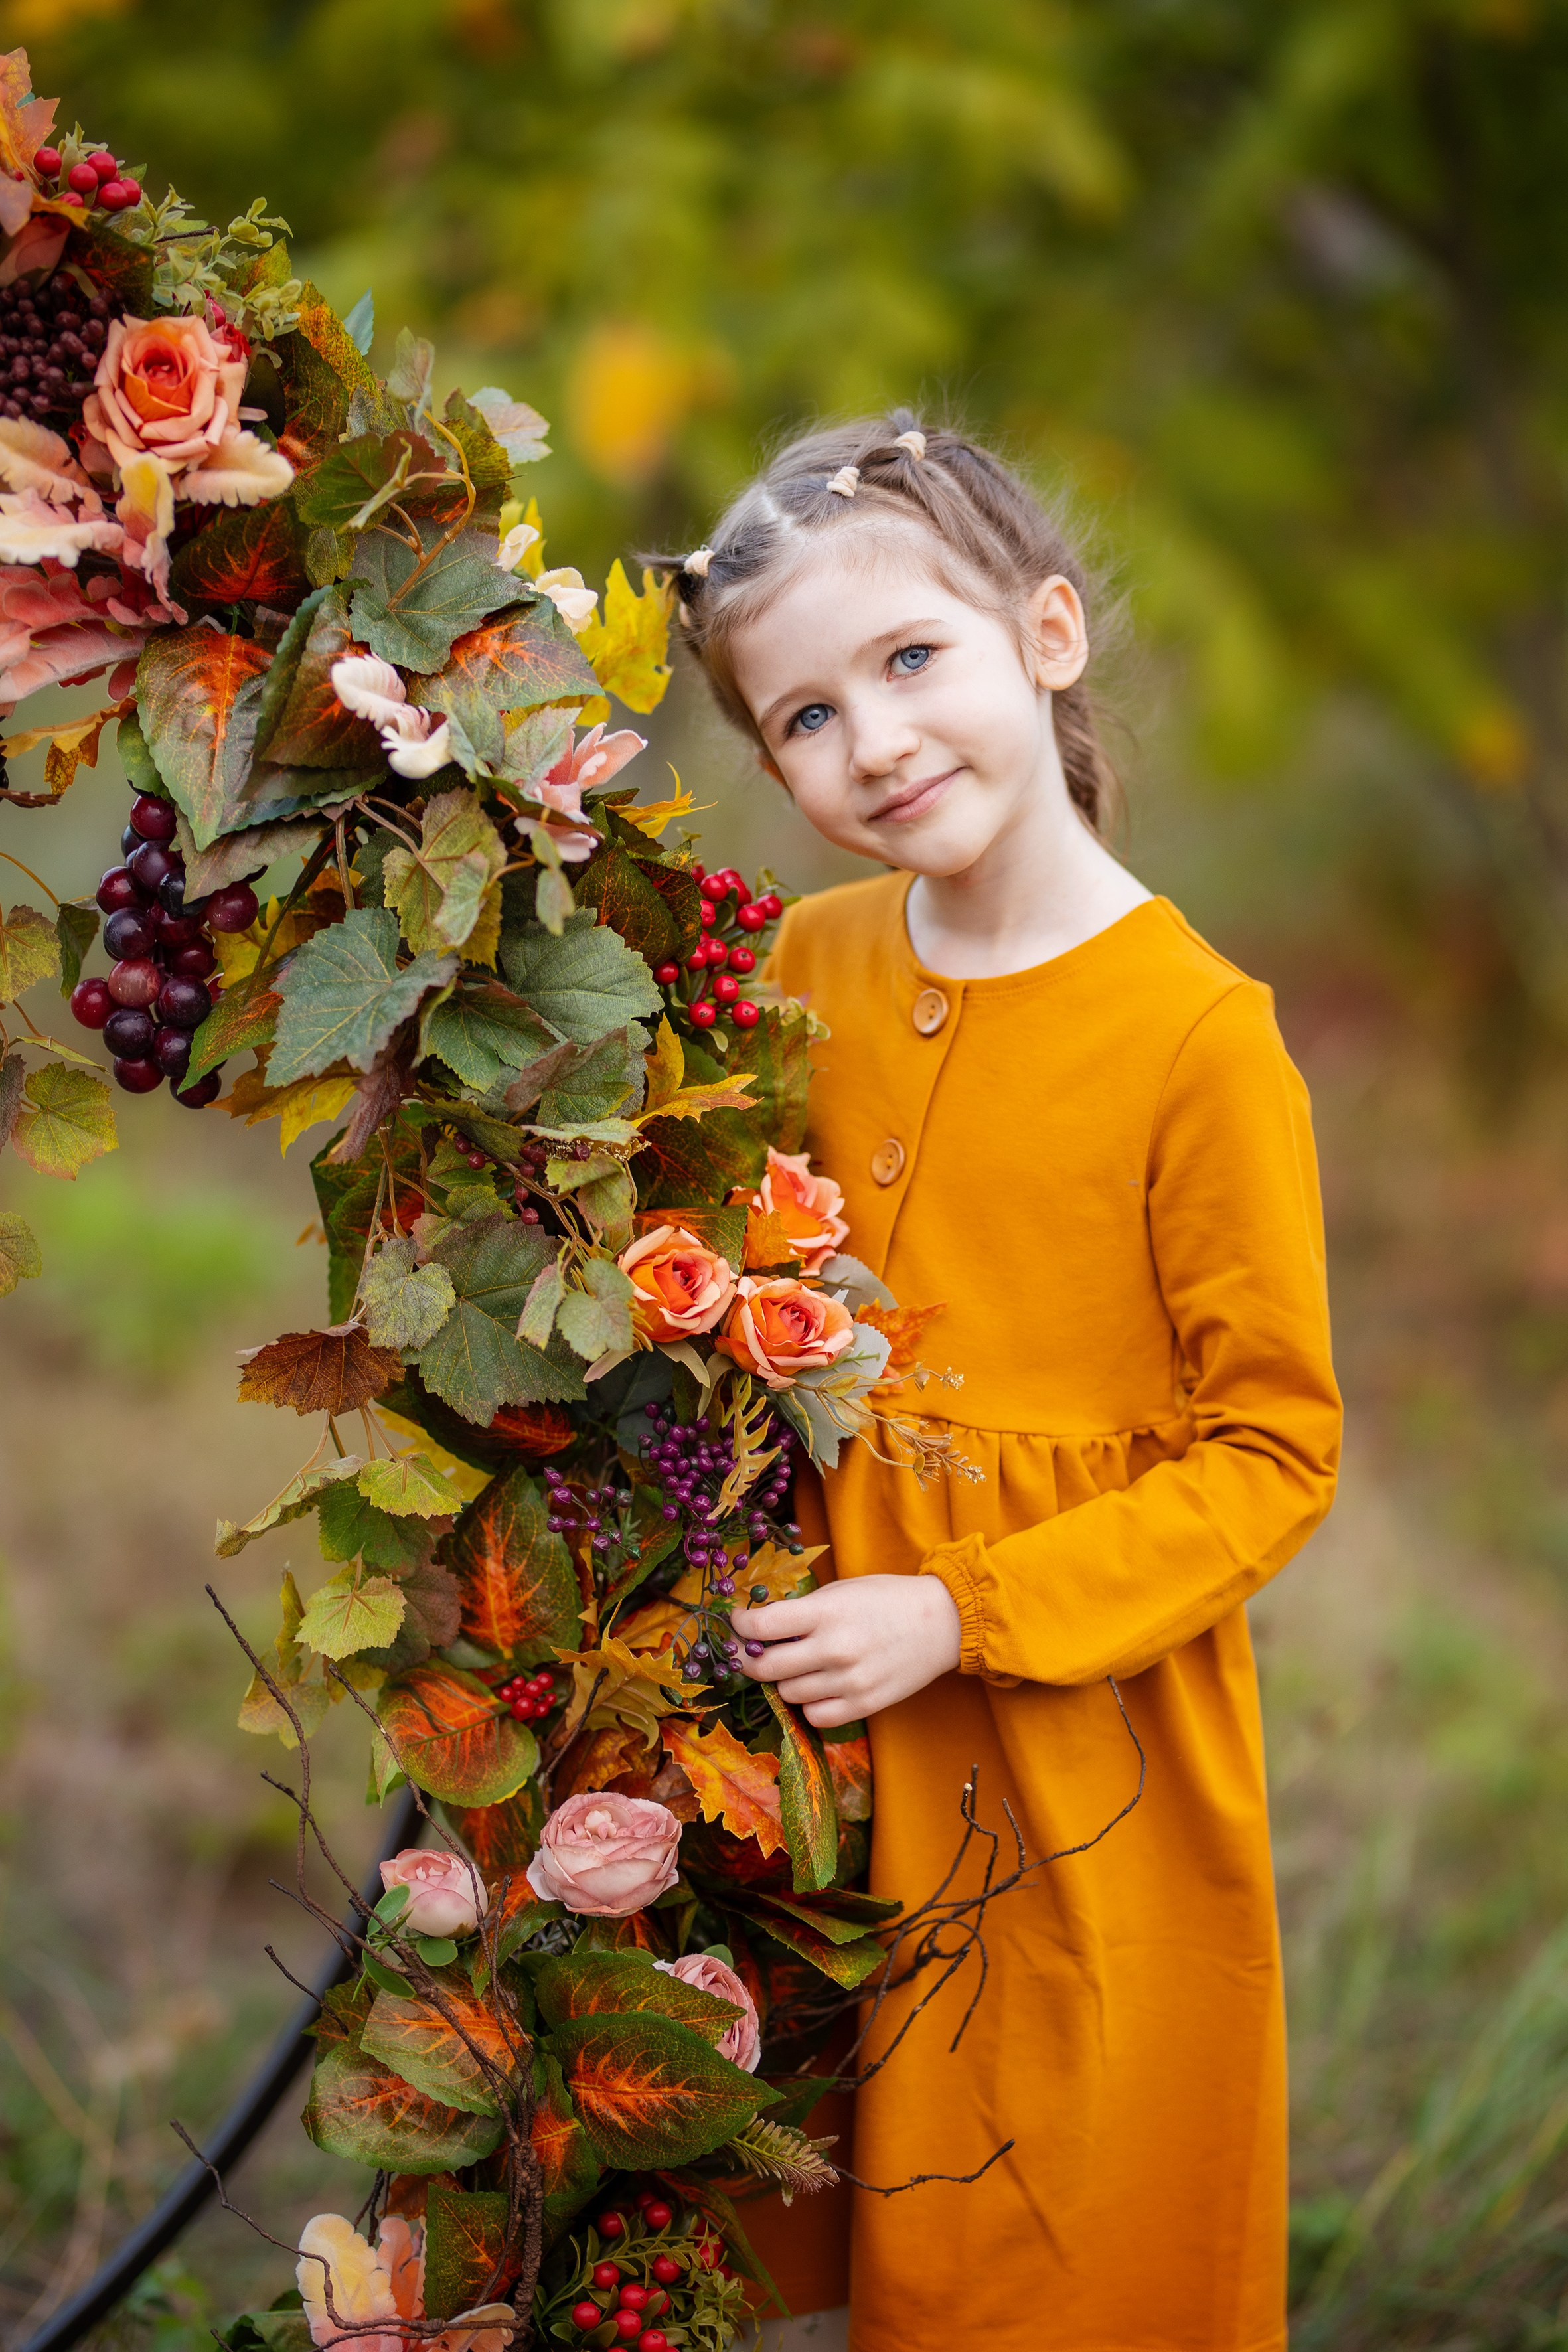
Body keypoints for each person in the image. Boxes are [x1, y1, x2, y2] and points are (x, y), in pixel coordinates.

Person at [659, 412, 1342, 2352]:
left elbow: (1271, 1454)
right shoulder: (796, 968)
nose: (867, 744)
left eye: (908, 662)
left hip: (1064, 1754)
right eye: (800, 719)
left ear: (1045, 634)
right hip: (805, 1728)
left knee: (1039, 2234)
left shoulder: (1198, 1039)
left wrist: (961, 1612)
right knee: (788, 2180)